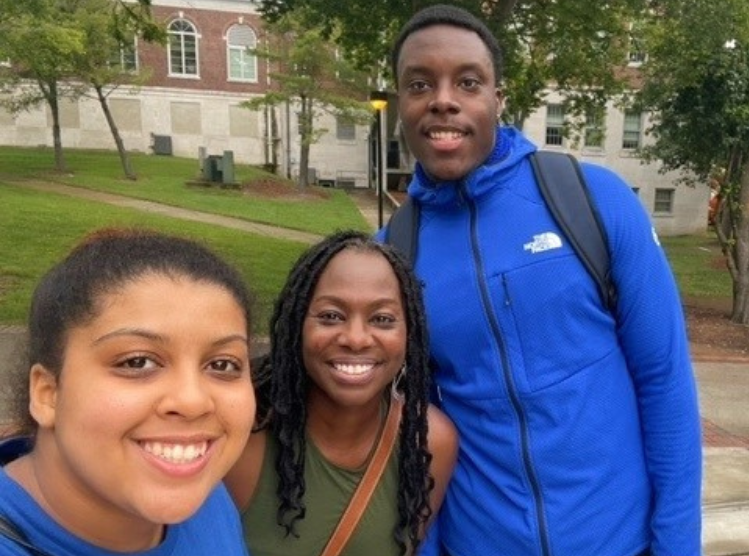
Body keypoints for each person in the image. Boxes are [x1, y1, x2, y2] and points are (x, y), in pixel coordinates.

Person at [383, 4, 703, 556]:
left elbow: (665, 381)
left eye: (468, 81)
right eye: (419, 84)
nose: (443, 99)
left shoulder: (593, 201)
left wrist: (676, 546)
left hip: (617, 541)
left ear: (498, 100)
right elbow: (412, 425)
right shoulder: (393, 253)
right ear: (399, 106)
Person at [0, 229, 257, 555]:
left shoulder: (207, 499)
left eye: (222, 365)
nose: (193, 401)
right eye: (138, 361)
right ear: (47, 393)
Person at [225, 230, 458, 556]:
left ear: (410, 333)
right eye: (331, 316)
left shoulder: (430, 442)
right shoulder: (242, 438)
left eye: (382, 319)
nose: (356, 338)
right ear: (296, 326)